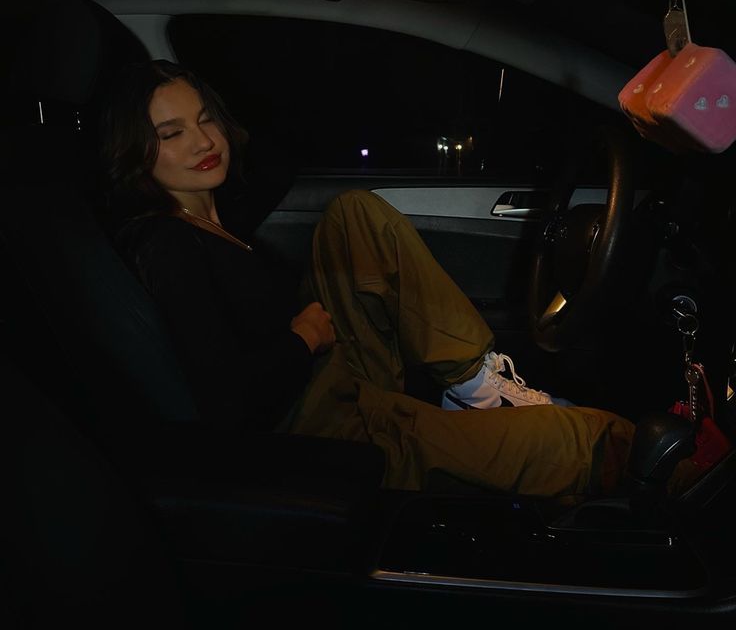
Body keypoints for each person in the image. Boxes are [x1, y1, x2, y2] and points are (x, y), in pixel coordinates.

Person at [100, 59, 635, 499]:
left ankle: (472, 382)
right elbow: (226, 407)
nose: (202, 142)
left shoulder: (215, 212)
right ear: (136, 151)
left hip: (330, 375)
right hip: (316, 429)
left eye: (205, 119)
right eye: (171, 133)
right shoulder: (166, 243)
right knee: (582, 439)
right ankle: (679, 469)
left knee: (356, 212)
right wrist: (301, 338)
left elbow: (280, 154)